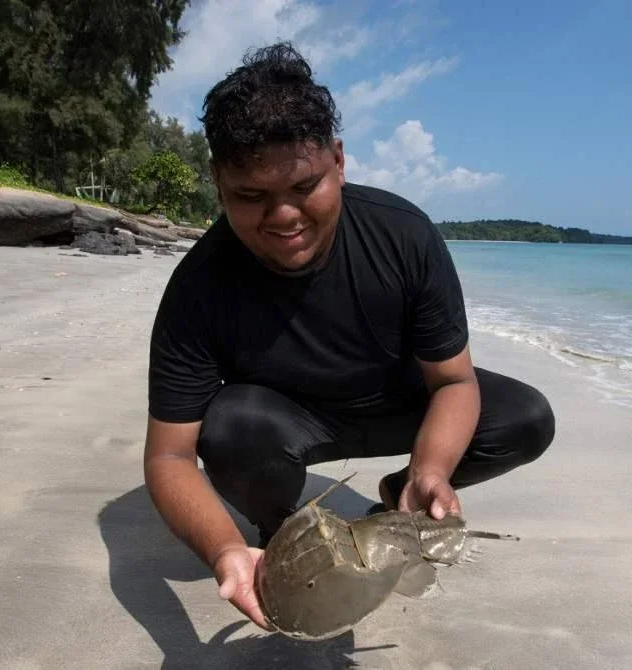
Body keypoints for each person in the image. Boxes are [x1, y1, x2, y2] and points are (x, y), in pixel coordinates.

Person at [143, 42, 556, 632]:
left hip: (396, 401)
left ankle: (398, 494)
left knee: (526, 416)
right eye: (251, 197)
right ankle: (282, 535)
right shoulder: (199, 285)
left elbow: (453, 380)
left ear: (338, 161)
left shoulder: (403, 235)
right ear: (218, 183)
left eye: (304, 186)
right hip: (285, 422)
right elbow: (169, 455)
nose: (283, 216)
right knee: (231, 424)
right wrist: (222, 549)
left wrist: (431, 469)